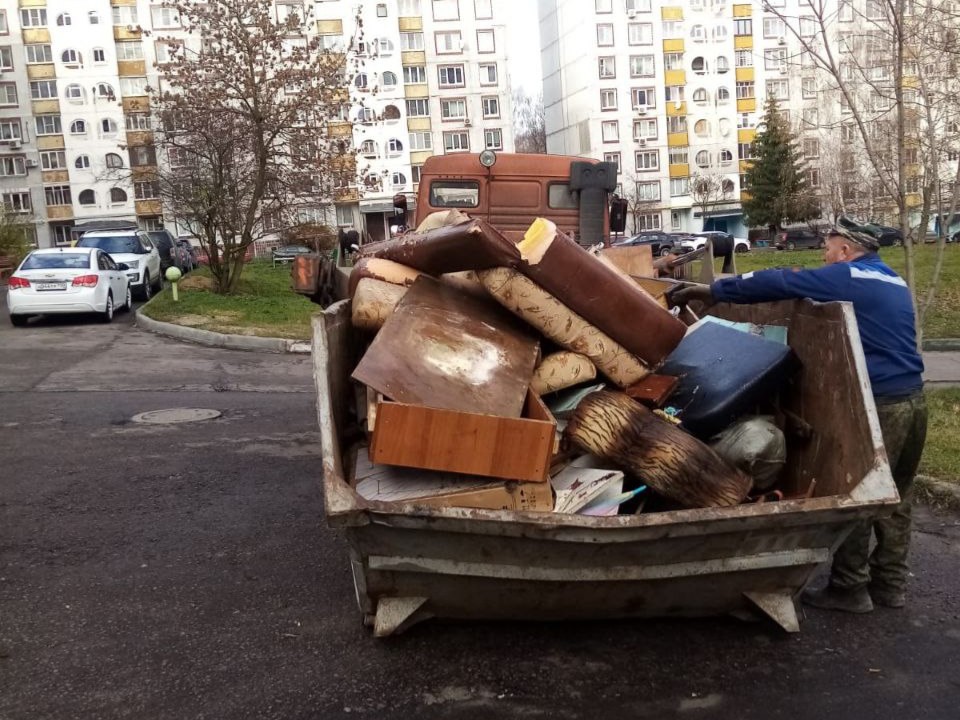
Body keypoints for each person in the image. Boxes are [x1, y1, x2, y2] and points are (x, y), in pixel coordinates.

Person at [673, 227, 927, 613]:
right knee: (899, 495)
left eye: (827, 249)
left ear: (845, 250)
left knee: (861, 490)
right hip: (914, 401)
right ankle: (891, 585)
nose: (823, 255)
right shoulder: (891, 278)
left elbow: (782, 281)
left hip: (881, 401)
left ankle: (849, 587)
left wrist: (713, 291)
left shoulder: (848, 276)